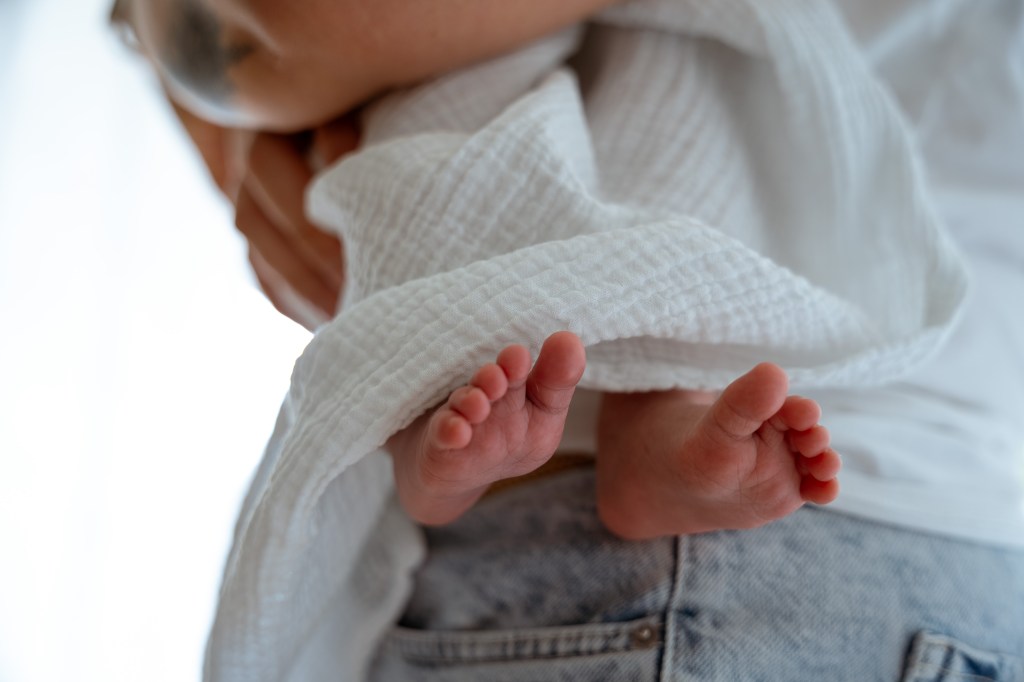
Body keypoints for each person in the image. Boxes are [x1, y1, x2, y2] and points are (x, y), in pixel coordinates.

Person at [118, 0, 1024, 680]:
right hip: (973, 561)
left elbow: (252, 36)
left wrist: (213, 94)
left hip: (710, 565)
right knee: (510, 231)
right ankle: (476, 448)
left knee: (553, 217)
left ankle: (548, 441)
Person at [120, 0, 841, 538]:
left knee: (665, 140)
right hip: (411, 92)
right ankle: (431, 451)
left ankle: (649, 424)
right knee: (441, 191)